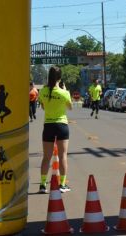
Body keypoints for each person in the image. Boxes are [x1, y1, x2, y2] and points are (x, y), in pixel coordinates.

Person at [38, 66, 72, 194]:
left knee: (46, 157)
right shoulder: (64, 92)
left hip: (48, 125)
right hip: (62, 125)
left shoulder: (43, 91)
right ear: (60, 77)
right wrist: (65, 90)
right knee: (63, 156)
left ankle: (42, 185)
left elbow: (42, 106)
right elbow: (70, 107)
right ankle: (62, 185)